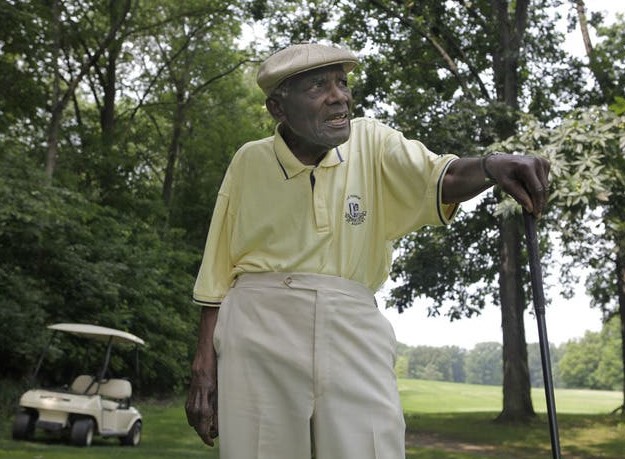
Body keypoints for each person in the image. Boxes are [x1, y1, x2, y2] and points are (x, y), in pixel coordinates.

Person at [185, 43, 549, 459]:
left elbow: (440, 178)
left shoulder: (372, 141)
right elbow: (217, 270)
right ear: (278, 109)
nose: (338, 95)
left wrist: (491, 165)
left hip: (352, 322)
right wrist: (203, 367)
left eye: (342, 82)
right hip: (258, 324)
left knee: (373, 445)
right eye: (317, 86)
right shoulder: (249, 161)